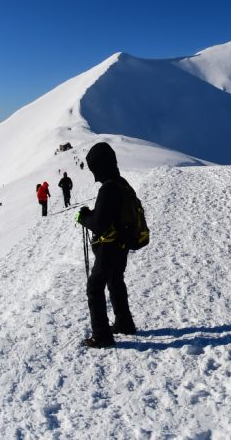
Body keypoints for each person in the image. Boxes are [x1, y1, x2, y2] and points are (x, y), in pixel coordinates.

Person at [76, 142, 137, 348]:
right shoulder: (122, 183)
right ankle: (124, 323)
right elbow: (110, 215)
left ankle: (101, 335)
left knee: (94, 287)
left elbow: (100, 224)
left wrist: (84, 218)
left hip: (109, 246)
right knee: (115, 280)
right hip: (122, 244)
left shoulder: (108, 189)